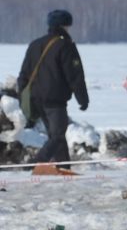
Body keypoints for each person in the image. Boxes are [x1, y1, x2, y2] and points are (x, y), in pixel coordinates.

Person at [14, 10, 88, 165]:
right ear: (65, 26)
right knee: (58, 135)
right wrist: (83, 99)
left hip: (36, 99)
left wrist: (23, 96)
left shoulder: (35, 44)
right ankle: (37, 162)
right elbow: (75, 75)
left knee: (55, 135)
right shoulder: (65, 45)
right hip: (55, 100)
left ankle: (64, 167)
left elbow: (23, 74)